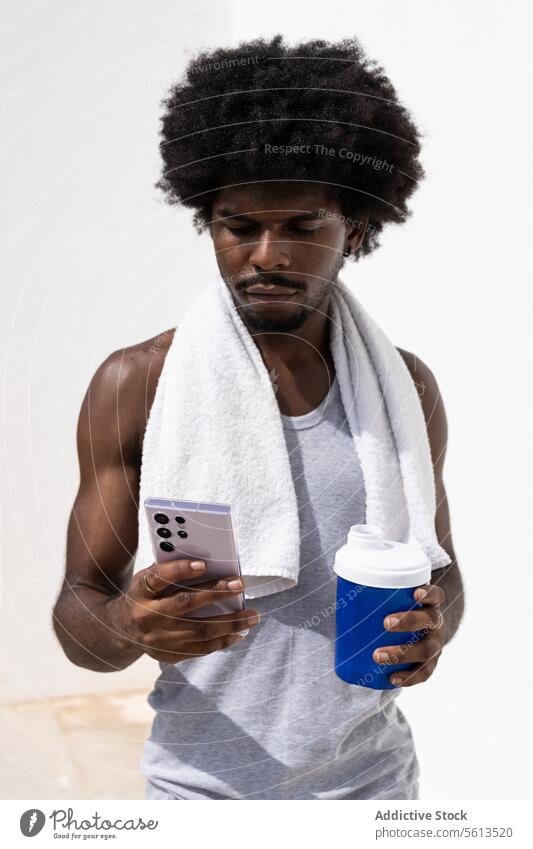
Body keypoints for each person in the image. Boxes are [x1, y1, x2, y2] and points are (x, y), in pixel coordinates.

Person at [52, 34, 464, 800]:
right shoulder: (135, 384)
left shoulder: (405, 388)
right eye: (238, 226)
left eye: (302, 225)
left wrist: (433, 629)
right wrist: (131, 627)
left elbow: (440, 570)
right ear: (208, 223)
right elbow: (79, 608)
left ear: (358, 230)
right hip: (199, 791)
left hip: (373, 787)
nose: (265, 254)